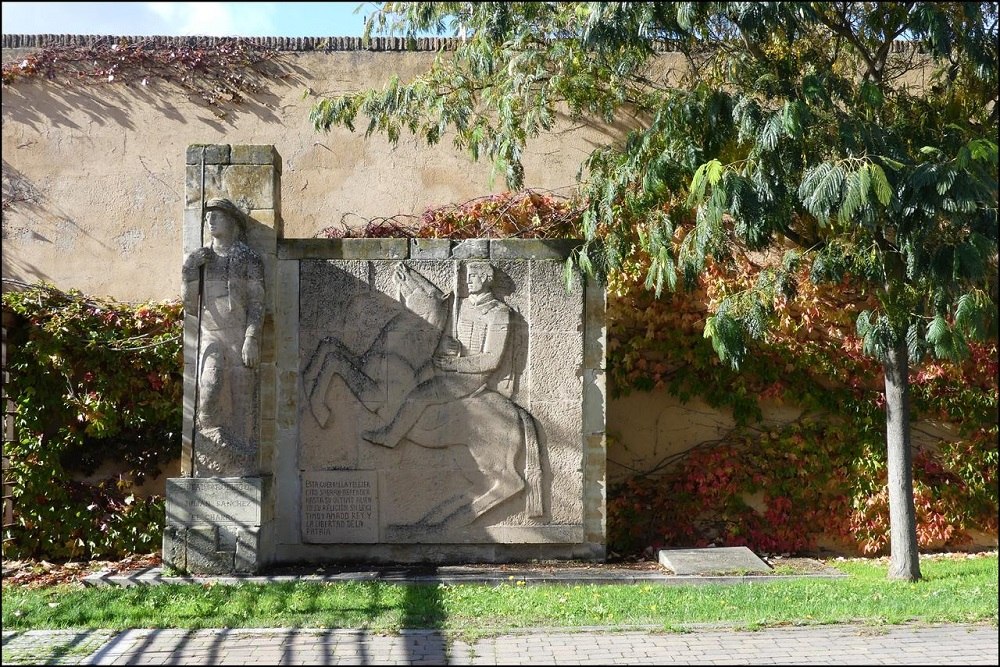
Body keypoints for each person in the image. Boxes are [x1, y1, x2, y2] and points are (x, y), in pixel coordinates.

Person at [362, 261, 511, 448]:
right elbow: (441, 330)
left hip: (470, 376)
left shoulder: (499, 312)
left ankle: (390, 437)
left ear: (486, 278)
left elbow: (492, 359)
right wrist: (446, 346)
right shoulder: (460, 305)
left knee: (418, 395)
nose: (468, 280)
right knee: (407, 381)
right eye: (468, 276)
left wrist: (455, 364)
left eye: (473, 276)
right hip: (445, 363)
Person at [182, 197, 264, 470]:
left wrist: (251, 339)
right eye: (207, 217)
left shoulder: (248, 258)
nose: (210, 220)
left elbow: (257, 304)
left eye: (216, 215)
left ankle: (240, 461)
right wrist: (189, 271)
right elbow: (190, 306)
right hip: (211, 336)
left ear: (232, 221)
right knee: (210, 385)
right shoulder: (199, 258)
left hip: (239, 338)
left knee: (244, 406)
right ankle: (211, 446)